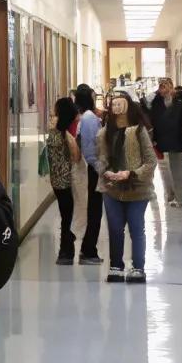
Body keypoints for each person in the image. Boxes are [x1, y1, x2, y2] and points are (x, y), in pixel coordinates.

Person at [97, 91, 156, 284]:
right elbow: (102, 157)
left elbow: (150, 161)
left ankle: (138, 267)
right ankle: (116, 265)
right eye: (114, 105)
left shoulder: (139, 131)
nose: (117, 109)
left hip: (137, 189)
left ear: (128, 106)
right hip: (112, 188)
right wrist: (106, 171)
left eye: (121, 105)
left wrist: (131, 173)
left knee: (136, 228)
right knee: (115, 228)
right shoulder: (106, 132)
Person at [149, 77, 182, 208]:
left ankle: (180, 198)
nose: (162, 89)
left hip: (178, 139)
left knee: (178, 168)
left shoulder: (180, 100)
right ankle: (171, 195)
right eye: (160, 86)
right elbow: (153, 118)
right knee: (166, 170)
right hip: (163, 140)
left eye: (165, 85)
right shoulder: (157, 101)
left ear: (171, 86)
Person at [47, 98, 82, 264]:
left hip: (58, 181)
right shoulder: (64, 133)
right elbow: (76, 156)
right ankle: (66, 250)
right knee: (67, 216)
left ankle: (66, 249)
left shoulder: (55, 132)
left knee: (65, 214)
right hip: (66, 181)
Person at [74, 84, 104, 263]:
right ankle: (88, 250)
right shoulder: (89, 119)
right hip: (94, 169)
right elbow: (91, 148)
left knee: (95, 210)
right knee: (94, 211)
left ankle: (88, 248)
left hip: (94, 168)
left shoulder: (87, 117)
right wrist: (101, 168)